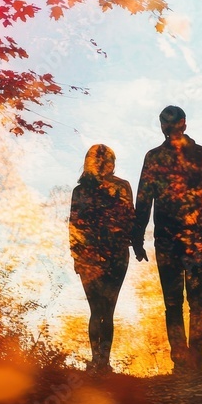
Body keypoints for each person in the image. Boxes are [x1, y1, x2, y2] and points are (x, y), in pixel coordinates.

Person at [133, 106, 202, 373]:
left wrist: (137, 237)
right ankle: (190, 360)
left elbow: (144, 200)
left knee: (177, 304)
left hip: (173, 241)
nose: (169, 128)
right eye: (167, 124)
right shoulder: (201, 155)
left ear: (179, 124)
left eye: (169, 123)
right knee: (195, 304)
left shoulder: (158, 157)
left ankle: (185, 361)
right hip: (189, 240)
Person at [69, 144, 134, 374]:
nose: (106, 164)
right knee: (103, 310)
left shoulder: (83, 191)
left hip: (101, 256)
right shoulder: (117, 187)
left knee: (100, 310)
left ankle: (99, 361)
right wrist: (78, 256)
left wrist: (77, 255)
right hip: (104, 256)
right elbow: (75, 225)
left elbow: (75, 225)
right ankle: (101, 362)